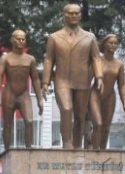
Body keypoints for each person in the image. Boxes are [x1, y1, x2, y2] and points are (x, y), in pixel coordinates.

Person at [42, 3, 103, 149]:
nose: (74, 16)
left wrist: (99, 77)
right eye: (70, 13)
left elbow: (96, 58)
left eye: (76, 13)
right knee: (67, 109)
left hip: (82, 81)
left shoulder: (89, 37)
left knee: (81, 116)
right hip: (62, 80)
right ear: (64, 15)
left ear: (80, 16)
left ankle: (76, 146)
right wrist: (45, 81)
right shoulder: (55, 37)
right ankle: (67, 143)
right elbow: (49, 59)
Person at [0, 29, 43, 150]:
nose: (21, 41)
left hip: (23, 94)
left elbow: (36, 79)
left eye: (23, 39)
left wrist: (39, 98)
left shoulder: (30, 59)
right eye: (18, 39)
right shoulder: (5, 58)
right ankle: (6, 151)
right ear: (12, 40)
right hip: (9, 94)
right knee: (8, 125)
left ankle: (28, 150)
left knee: (30, 121)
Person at [88, 34, 125, 150]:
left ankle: (102, 151)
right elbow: (88, 80)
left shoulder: (119, 64)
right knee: (98, 124)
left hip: (110, 97)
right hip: (95, 95)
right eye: (110, 42)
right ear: (104, 44)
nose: (113, 45)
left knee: (106, 127)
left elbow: (122, 84)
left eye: (115, 43)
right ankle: (94, 152)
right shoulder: (97, 61)